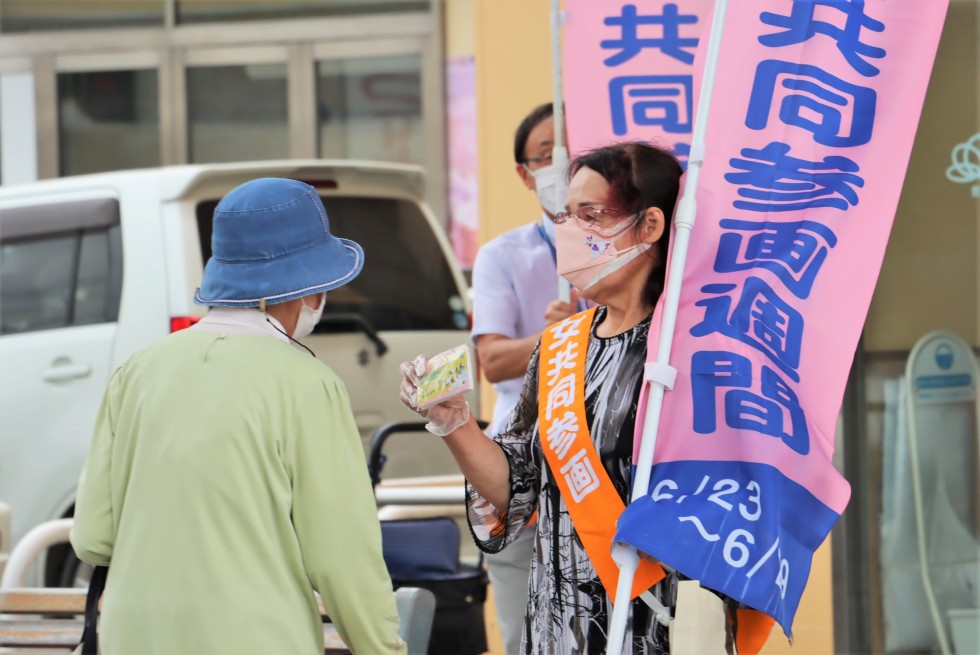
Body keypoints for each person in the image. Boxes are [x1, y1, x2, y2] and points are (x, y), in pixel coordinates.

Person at [71, 178, 406, 655]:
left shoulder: (137, 372)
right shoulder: (309, 384)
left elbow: (93, 538)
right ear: (304, 288)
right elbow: (342, 558)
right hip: (255, 637)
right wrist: (383, 648)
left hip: (134, 636)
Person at [401, 141, 684, 653]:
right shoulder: (560, 347)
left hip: (655, 619)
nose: (570, 232)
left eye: (591, 216)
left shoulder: (682, 350)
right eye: (567, 216)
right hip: (557, 624)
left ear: (649, 227)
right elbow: (515, 488)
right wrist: (454, 422)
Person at [469, 101, 580, 655]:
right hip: (528, 464)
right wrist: (568, 336)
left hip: (607, 466)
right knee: (524, 634)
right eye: (547, 157)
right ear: (524, 173)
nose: (563, 168)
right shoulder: (503, 255)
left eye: (575, 156)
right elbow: (493, 361)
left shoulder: (637, 250)